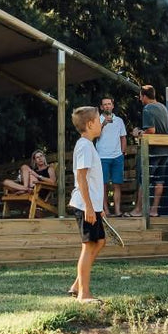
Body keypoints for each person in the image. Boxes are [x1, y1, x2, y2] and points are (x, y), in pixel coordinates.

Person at [66, 105, 106, 303]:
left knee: (99, 242)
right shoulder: (83, 146)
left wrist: (98, 207)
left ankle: (76, 285)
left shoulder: (89, 145)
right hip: (84, 205)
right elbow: (81, 177)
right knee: (88, 246)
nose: (101, 123)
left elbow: (92, 180)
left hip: (91, 206)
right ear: (90, 124)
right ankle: (84, 294)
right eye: (99, 120)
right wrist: (90, 207)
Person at [131, 85, 168, 215]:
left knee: (145, 179)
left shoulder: (148, 109)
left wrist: (138, 132)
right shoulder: (163, 107)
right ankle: (154, 210)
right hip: (166, 149)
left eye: (140, 97)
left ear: (144, 96)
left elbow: (151, 131)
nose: (140, 99)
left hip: (153, 150)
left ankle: (138, 210)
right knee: (159, 180)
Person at [95, 96, 130, 215]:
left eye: (109, 104)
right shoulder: (97, 120)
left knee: (117, 184)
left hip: (117, 156)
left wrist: (122, 152)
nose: (107, 106)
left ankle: (117, 210)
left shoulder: (119, 120)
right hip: (102, 157)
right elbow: (95, 136)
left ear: (113, 106)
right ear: (101, 107)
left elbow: (123, 137)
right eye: (104, 104)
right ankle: (106, 210)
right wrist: (103, 124)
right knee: (103, 185)